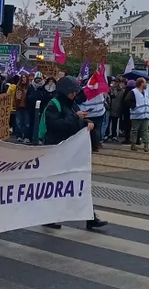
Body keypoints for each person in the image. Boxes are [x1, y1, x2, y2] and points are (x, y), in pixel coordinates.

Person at [40, 76, 107, 231]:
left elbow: (77, 119)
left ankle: (90, 217)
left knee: (79, 183)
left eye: (75, 92)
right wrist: (75, 118)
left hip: (71, 151)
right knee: (56, 186)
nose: (74, 94)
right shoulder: (54, 105)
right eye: (71, 92)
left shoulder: (73, 105)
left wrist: (87, 122)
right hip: (57, 150)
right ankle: (48, 216)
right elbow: (56, 126)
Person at [128, 76, 149, 151]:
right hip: (137, 114)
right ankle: (133, 144)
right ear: (141, 83)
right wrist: (134, 107)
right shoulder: (133, 91)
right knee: (135, 130)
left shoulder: (146, 92)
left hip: (146, 114)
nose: (146, 84)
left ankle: (146, 145)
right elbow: (127, 101)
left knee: (145, 130)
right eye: (145, 82)